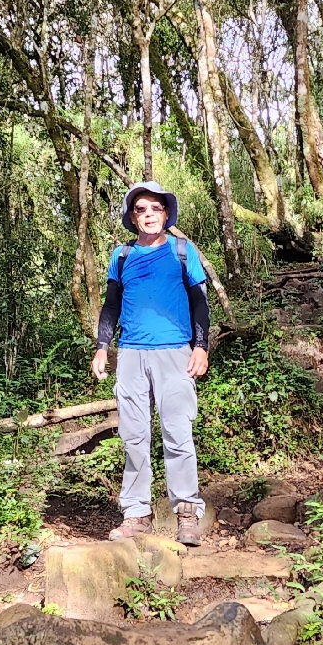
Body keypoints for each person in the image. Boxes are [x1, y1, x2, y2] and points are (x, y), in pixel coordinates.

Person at [91, 180, 210, 546]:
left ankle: (186, 514)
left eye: (155, 208)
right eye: (141, 209)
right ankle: (137, 514)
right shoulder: (121, 256)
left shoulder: (182, 251)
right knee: (134, 435)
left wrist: (201, 346)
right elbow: (111, 305)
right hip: (130, 354)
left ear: (166, 213)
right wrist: (102, 347)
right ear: (133, 217)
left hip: (175, 352)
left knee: (177, 433)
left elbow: (200, 302)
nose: (149, 215)